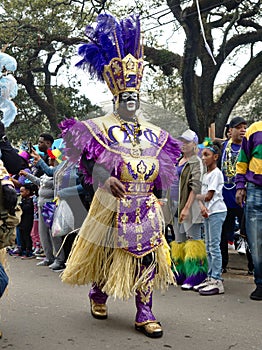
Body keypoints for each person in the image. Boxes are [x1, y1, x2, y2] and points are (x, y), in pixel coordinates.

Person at [59, 13, 181, 338]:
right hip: (112, 202)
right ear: (116, 97)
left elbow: (164, 172)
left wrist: (162, 197)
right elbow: (87, 160)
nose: (131, 100)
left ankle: (145, 310)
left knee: (149, 254)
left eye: (135, 96)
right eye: (125, 96)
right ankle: (99, 291)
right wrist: (103, 177)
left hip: (146, 204)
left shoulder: (155, 134)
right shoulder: (99, 128)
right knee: (108, 250)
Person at [169, 129, 207, 290]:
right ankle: (180, 272)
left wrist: (186, 207)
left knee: (193, 240)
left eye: (187, 142)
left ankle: (196, 275)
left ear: (194, 144)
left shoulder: (196, 161)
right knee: (179, 240)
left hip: (190, 207)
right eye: (181, 142)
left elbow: (195, 186)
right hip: (175, 205)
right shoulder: (178, 160)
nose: (183, 145)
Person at [194, 139, 227, 295]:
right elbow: (203, 199)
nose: (203, 158)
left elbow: (208, 196)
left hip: (217, 212)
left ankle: (217, 280)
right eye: (202, 155)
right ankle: (210, 276)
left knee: (214, 246)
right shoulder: (205, 175)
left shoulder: (216, 174)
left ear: (215, 157)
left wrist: (197, 197)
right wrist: (202, 207)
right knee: (208, 246)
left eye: (206, 155)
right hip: (208, 212)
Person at [235, 120, 262, 301]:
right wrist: (240, 186)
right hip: (255, 190)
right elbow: (243, 159)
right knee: (256, 241)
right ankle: (260, 283)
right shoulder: (254, 129)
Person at [219, 116, 249, 273]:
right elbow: (205, 144)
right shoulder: (223, 147)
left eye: (245, 127)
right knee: (223, 233)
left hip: (243, 199)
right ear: (230, 131)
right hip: (225, 198)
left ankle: (252, 266)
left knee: (248, 232)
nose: (243, 130)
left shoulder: (248, 148)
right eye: (239, 127)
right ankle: (222, 265)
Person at [18, 184, 34, 259]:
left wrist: (20, 206)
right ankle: (22, 250)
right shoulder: (22, 200)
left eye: (22, 191)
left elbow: (27, 208)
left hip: (27, 220)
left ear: (27, 192)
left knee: (27, 235)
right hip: (22, 220)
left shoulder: (30, 200)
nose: (20, 193)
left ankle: (28, 251)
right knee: (21, 235)